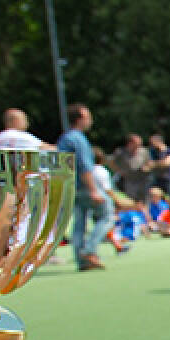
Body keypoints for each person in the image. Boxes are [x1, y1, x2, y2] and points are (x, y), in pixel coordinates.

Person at [58, 103, 111, 271]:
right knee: (107, 214)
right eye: (88, 116)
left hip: (70, 187)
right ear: (79, 119)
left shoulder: (64, 138)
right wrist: (93, 190)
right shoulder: (78, 138)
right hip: (85, 186)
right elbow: (84, 166)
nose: (90, 120)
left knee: (79, 222)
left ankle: (81, 260)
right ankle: (89, 251)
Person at [112, 133, 152, 207]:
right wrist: (119, 171)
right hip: (129, 180)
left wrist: (147, 167)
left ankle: (145, 213)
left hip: (143, 179)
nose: (139, 146)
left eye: (140, 144)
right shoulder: (120, 152)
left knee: (145, 200)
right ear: (130, 143)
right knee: (131, 200)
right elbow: (112, 163)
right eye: (137, 144)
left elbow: (149, 162)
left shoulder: (144, 151)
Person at [147, 134, 170, 199]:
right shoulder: (153, 152)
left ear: (159, 141)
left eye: (152, 143)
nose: (151, 145)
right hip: (157, 179)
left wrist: (155, 164)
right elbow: (149, 164)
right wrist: (161, 163)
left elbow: (168, 163)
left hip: (168, 178)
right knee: (154, 198)